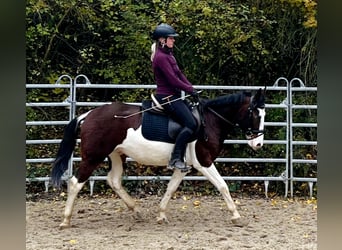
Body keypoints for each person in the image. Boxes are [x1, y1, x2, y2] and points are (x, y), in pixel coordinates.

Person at [150, 23, 198, 172]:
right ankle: (175, 158)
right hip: (167, 97)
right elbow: (172, 80)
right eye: (171, 38)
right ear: (162, 40)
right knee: (190, 124)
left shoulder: (168, 55)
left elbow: (179, 75)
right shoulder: (160, 57)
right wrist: (189, 90)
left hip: (174, 96)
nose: (174, 40)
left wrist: (192, 88)